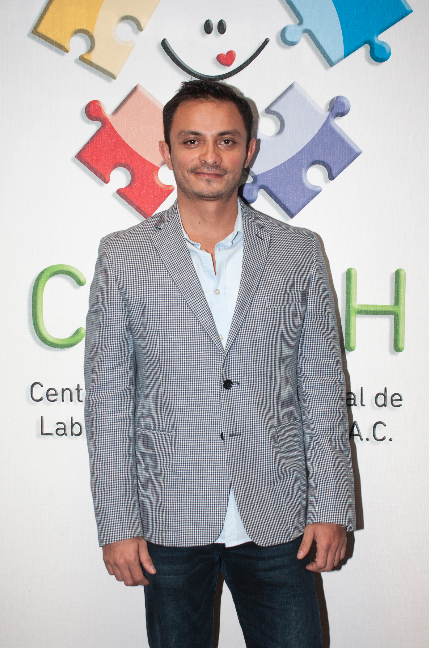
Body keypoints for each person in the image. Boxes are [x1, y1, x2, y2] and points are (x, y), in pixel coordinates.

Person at [84, 79, 356, 648]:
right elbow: (109, 399)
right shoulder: (123, 256)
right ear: (166, 150)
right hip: (167, 518)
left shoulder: (298, 251)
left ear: (249, 150)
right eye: (192, 141)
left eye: (226, 140)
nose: (209, 156)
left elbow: (323, 388)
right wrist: (117, 522)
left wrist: (332, 506)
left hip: (281, 518)